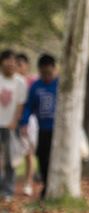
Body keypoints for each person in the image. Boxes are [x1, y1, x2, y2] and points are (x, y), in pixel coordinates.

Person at [20, 54, 59, 200]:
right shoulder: (36, 86)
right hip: (42, 129)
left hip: (58, 130)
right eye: (43, 73)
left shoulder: (61, 85)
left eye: (49, 73)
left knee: (56, 159)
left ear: (54, 69)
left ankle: (56, 187)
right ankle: (46, 186)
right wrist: (24, 122)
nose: (46, 76)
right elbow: (29, 106)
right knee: (42, 159)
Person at [0, 50, 28, 199]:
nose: (10, 63)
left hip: (11, 126)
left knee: (11, 160)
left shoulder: (20, 82)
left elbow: (20, 103)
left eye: (13, 61)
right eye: (7, 60)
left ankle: (8, 191)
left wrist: (14, 121)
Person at [15, 53, 37, 196]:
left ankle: (28, 182)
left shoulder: (33, 81)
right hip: (12, 120)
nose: (18, 67)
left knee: (29, 153)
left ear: (26, 65)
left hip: (29, 121)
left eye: (20, 64)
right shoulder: (11, 81)